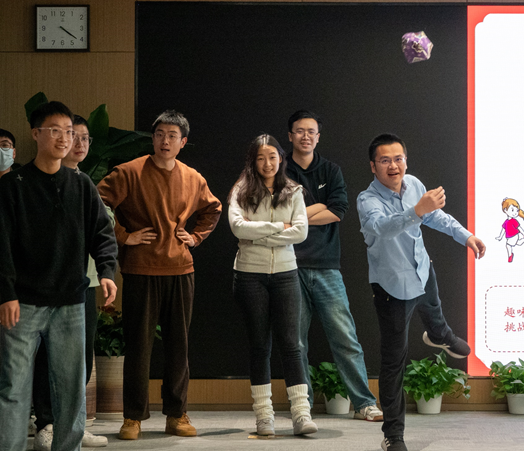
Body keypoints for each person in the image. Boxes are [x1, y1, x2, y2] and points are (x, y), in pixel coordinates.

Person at [97, 110, 222, 441]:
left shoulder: (192, 177)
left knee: (179, 345)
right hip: (140, 268)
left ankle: (177, 414)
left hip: (181, 269)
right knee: (139, 346)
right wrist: (124, 235)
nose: (165, 141)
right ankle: (133, 417)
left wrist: (194, 237)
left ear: (183, 142)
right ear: (152, 138)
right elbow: (97, 202)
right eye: (160, 134)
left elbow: (213, 208)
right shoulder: (129, 171)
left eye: (172, 136)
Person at [0, 102, 118, 451]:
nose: (64, 138)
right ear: (36, 134)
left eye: (68, 131)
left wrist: (107, 271)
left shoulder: (81, 184)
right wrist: (6, 293)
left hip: (70, 302)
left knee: (71, 389)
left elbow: (102, 233)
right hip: (22, 303)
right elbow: (1, 244)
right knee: (13, 387)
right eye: (55, 130)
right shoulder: (13, 186)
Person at [357, 133, 486, 451]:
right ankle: (393, 435)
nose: (393, 166)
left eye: (398, 159)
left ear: (405, 160)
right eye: (385, 160)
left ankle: (440, 335)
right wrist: (416, 211)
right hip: (392, 288)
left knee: (435, 312)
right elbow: (383, 228)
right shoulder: (367, 200)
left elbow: (435, 216)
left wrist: (466, 236)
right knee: (394, 362)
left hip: (421, 270)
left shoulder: (413, 184)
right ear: (373, 166)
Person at [284, 110, 383, 422]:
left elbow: (338, 211)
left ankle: (364, 403)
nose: (306, 136)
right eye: (300, 131)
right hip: (288, 266)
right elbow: (276, 214)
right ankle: (302, 407)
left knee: (345, 338)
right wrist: (317, 208)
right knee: (295, 342)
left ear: (318, 137)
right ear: (290, 136)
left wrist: (297, 217)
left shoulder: (330, 170)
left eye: (311, 131)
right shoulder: (279, 169)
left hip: (327, 266)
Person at [228, 134, 316, 437]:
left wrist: (258, 236)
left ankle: (301, 414)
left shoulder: (293, 191)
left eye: (272, 157)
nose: (267, 163)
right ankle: (264, 416)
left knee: (292, 345)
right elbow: (237, 227)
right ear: (253, 161)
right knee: (259, 346)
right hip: (249, 275)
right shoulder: (241, 190)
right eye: (261, 158)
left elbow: (301, 232)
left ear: (281, 158)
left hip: (286, 274)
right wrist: (279, 227)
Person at [31, 115, 108, 450]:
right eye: (72, 135)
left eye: (85, 138)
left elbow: (103, 231)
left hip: (83, 284)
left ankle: (73, 425)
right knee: (46, 358)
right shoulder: (38, 181)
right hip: (44, 287)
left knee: (80, 359)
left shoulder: (86, 184)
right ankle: (46, 424)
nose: (78, 143)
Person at [495, 197, 524, 263]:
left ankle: (510, 255)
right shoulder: (506, 222)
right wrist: (500, 237)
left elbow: (519, 227)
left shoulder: (513, 221)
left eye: (517, 211)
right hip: (510, 236)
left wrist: (523, 233)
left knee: (508, 245)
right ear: (505, 210)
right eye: (512, 210)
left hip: (513, 236)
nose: (515, 213)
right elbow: (503, 229)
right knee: (518, 243)